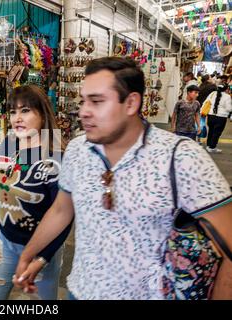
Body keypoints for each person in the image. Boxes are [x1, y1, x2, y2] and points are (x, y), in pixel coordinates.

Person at [12, 57, 232, 300]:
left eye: (96, 101)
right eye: (83, 100)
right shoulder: (77, 149)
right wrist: (28, 254)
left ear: (131, 103)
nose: (83, 111)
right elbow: (61, 210)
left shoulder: (181, 156)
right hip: (81, 290)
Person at [0, 84, 71, 300]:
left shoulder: (56, 157)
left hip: (43, 252)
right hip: (5, 244)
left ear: (42, 114)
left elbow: (64, 216)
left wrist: (42, 258)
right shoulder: (9, 145)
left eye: (25, 110)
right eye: (13, 111)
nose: (17, 117)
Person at [204, 85, 232, 153]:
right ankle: (212, 147)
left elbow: (207, 102)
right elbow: (229, 108)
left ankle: (208, 146)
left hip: (211, 115)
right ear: (226, 89)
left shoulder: (212, 93)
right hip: (221, 117)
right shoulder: (227, 96)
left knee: (211, 131)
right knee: (217, 133)